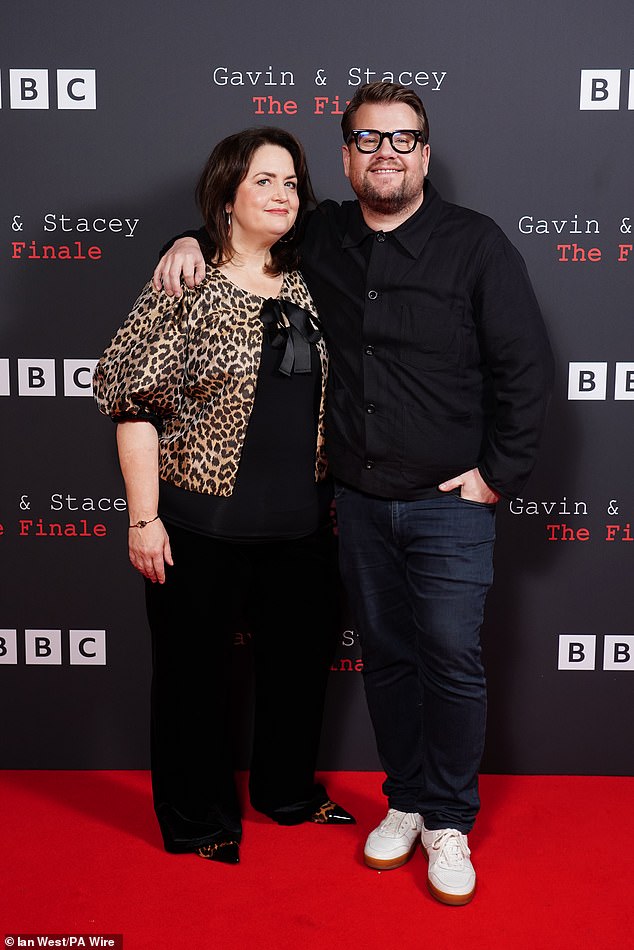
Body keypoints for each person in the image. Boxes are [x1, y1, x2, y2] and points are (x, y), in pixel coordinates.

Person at [153, 83, 554, 903]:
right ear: (345, 156)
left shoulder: (477, 246)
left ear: (425, 153)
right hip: (359, 505)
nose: (386, 155)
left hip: (450, 504)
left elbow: (525, 370)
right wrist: (184, 241)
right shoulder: (323, 233)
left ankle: (448, 819)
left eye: (403, 140)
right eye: (368, 140)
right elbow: (244, 231)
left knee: (450, 657)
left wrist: (497, 476)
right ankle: (404, 798)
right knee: (390, 661)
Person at [94, 127, 355, 866]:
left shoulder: (311, 277)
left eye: (292, 183)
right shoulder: (185, 280)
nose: (283, 195)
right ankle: (196, 818)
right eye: (264, 181)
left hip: (302, 526)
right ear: (228, 194)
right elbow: (134, 404)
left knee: (298, 675)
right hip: (199, 524)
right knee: (191, 684)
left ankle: (288, 794)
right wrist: (143, 519)